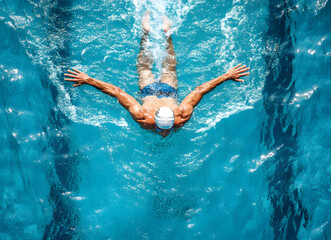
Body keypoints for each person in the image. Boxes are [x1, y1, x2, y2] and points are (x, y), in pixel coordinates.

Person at [64, 11, 250, 137]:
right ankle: (159, 34)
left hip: (159, 92)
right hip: (156, 92)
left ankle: (155, 34)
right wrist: (226, 75)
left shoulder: (143, 115)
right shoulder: (181, 116)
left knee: (162, 68)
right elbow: (200, 90)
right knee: (153, 68)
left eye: (164, 129)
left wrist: (89, 80)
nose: (165, 133)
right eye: (165, 130)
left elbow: (118, 92)